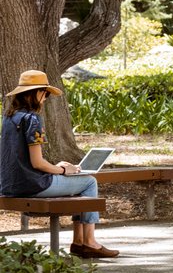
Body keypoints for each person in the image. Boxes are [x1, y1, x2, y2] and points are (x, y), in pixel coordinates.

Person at [1, 70, 118, 258]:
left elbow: (21, 159)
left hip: (10, 185)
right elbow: (37, 163)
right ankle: (88, 242)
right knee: (88, 182)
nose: (46, 98)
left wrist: (57, 167)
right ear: (36, 93)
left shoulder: (8, 118)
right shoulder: (32, 119)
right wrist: (63, 169)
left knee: (80, 182)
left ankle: (80, 242)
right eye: (45, 93)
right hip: (32, 185)